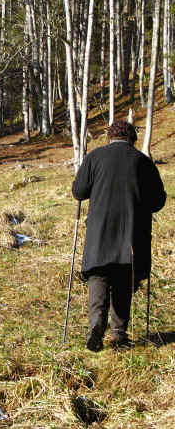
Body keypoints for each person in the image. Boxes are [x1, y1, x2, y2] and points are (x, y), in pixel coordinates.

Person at [72, 120, 166, 352]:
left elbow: (78, 191)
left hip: (99, 232)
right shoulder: (143, 162)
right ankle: (118, 334)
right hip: (132, 234)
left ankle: (96, 325)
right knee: (124, 278)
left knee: (98, 276)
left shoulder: (95, 157)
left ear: (109, 137)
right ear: (132, 138)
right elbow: (158, 201)